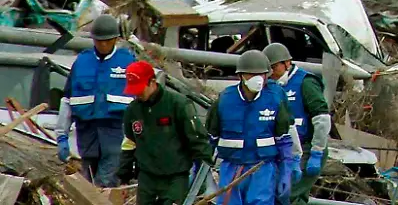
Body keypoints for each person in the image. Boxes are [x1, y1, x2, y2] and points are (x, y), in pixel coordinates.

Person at [205, 50, 298, 205]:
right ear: (240, 76)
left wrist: (287, 169)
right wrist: (199, 169)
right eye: (251, 74)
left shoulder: (274, 99)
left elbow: (284, 139)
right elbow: (210, 139)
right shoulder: (225, 100)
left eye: (261, 74)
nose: (257, 79)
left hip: (262, 170)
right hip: (231, 169)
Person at [57, 14, 137, 186]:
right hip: (87, 132)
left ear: (115, 39)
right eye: (99, 41)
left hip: (115, 132)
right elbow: (67, 100)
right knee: (88, 181)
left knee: (106, 181)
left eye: (107, 41)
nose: (103, 44)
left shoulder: (127, 61)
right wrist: (61, 136)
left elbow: (139, 100)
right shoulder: (82, 62)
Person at [116, 61, 212, 205]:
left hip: (175, 177)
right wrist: (124, 177)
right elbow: (129, 143)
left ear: (152, 82)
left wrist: (203, 173)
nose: (137, 94)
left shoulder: (178, 104)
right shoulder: (133, 111)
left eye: (140, 89)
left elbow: (197, 139)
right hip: (147, 178)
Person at [264, 43, 330, 205]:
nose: (272, 73)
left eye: (274, 67)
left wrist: (317, 152)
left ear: (287, 63)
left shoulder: (305, 82)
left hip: (308, 148)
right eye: (268, 69)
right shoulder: (273, 87)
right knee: (296, 198)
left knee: (286, 194)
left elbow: (322, 118)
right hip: (285, 150)